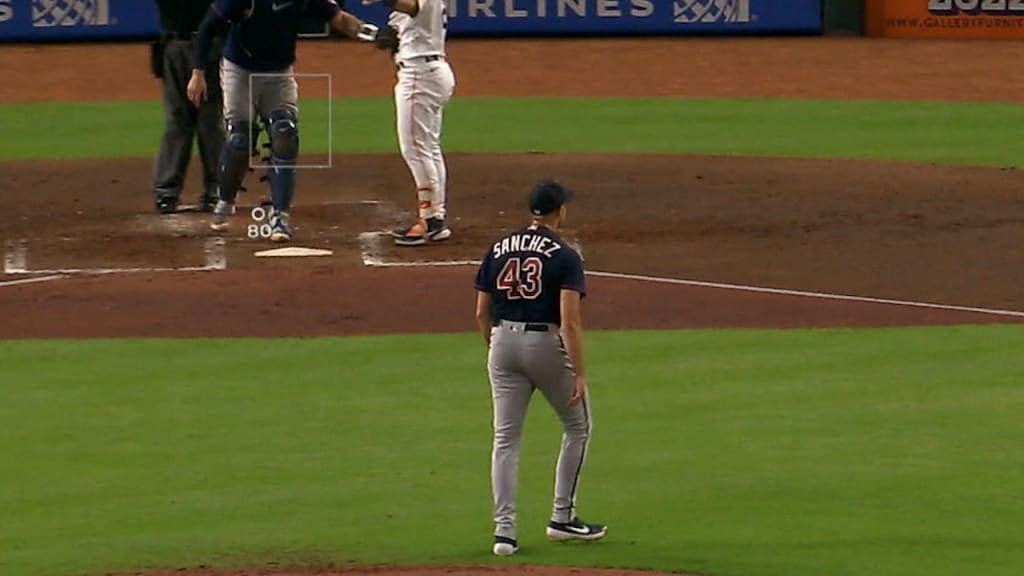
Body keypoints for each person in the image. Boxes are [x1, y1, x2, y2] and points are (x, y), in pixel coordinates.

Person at [187, 0, 397, 242]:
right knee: (239, 140)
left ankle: (280, 216)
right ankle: (225, 199)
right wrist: (197, 73)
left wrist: (371, 33)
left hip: (279, 72)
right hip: (240, 72)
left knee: (285, 132)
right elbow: (207, 28)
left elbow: (338, 18)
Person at [473, 180, 608, 557]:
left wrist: (495, 348)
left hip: (501, 343)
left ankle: (505, 534)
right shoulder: (565, 255)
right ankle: (563, 518)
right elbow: (570, 322)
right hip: (544, 344)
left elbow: (481, 312)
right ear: (558, 211)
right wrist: (579, 372)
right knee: (578, 427)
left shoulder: (498, 247)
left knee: (505, 440)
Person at [369, 0, 455, 247]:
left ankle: (429, 219)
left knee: (415, 150)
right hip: (425, 71)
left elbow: (408, 6)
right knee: (428, 148)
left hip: (420, 75)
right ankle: (435, 217)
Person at [152, 0, 225, 214]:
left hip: (210, 46)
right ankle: (167, 193)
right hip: (178, 46)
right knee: (180, 122)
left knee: (209, 123)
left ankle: (217, 191)